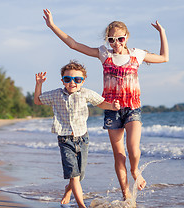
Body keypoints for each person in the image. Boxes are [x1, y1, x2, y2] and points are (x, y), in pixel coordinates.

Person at [43, 9, 169, 200]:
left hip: (132, 108)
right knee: (119, 155)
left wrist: (162, 33)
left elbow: (164, 57)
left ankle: (135, 171)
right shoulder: (104, 54)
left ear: (126, 38)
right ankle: (126, 194)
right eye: (111, 40)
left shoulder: (137, 55)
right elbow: (73, 44)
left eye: (120, 39)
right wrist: (52, 25)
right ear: (107, 40)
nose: (116, 43)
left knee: (133, 150)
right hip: (112, 110)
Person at [34, 61, 120, 208]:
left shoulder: (86, 93)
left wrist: (112, 106)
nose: (72, 82)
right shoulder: (56, 94)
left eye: (77, 79)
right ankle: (81, 205)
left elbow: (100, 103)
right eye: (68, 79)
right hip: (65, 139)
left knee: (79, 175)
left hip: (83, 138)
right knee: (73, 175)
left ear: (83, 81)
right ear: (63, 80)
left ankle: (68, 190)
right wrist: (39, 84)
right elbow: (37, 101)